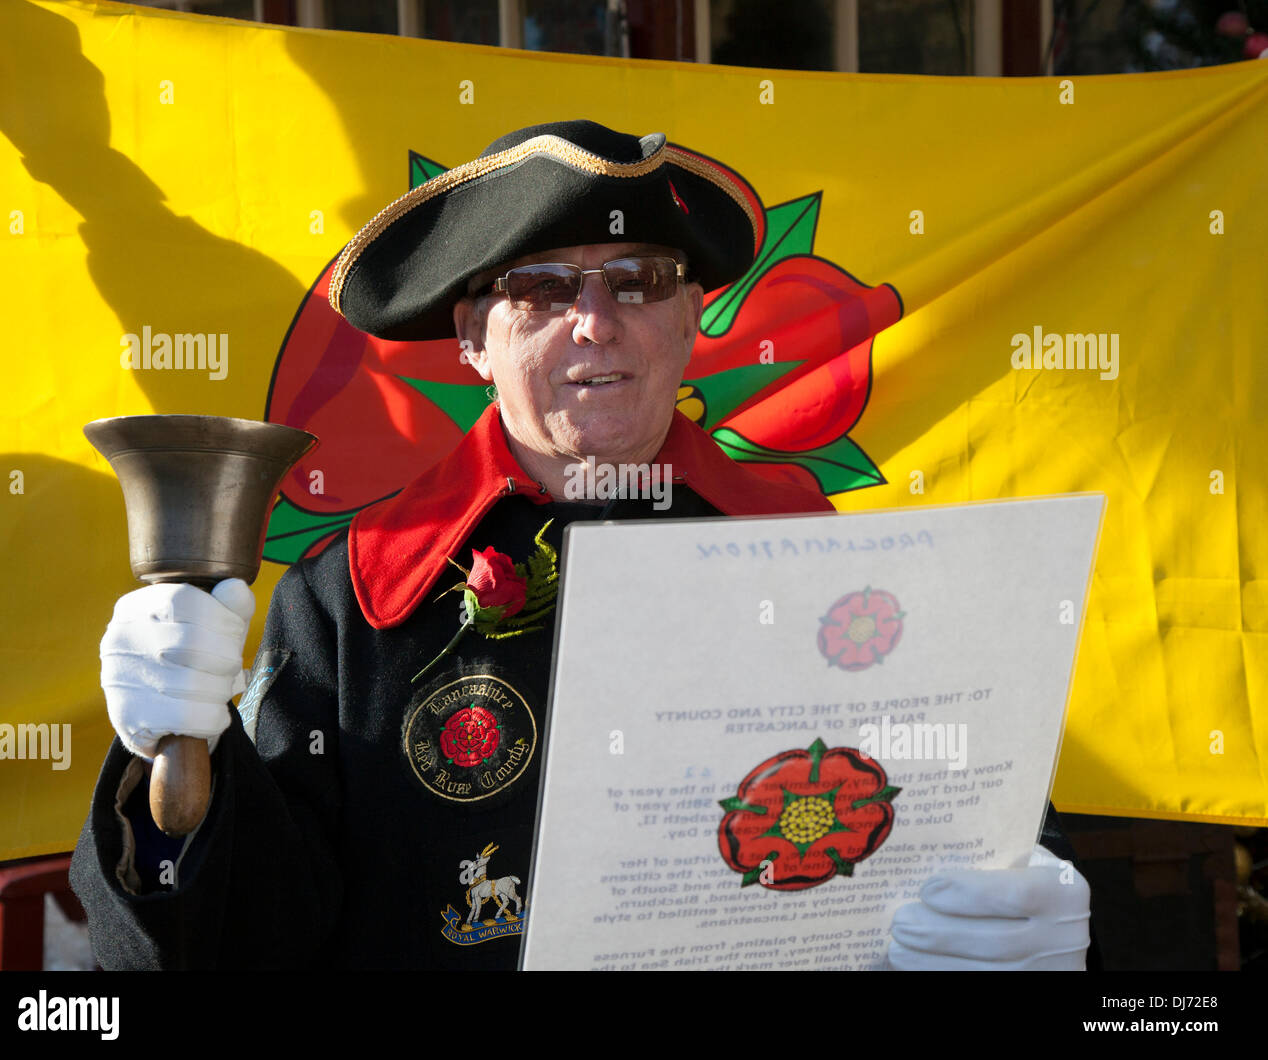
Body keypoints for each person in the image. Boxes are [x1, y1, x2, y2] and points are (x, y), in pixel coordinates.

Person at [71, 120, 1092, 971]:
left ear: (690, 320)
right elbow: (238, 944)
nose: (595, 324)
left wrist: (1016, 891)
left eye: (638, 281)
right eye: (545, 289)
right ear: (474, 337)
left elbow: (938, 810)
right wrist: (173, 753)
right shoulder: (352, 596)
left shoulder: (814, 563)